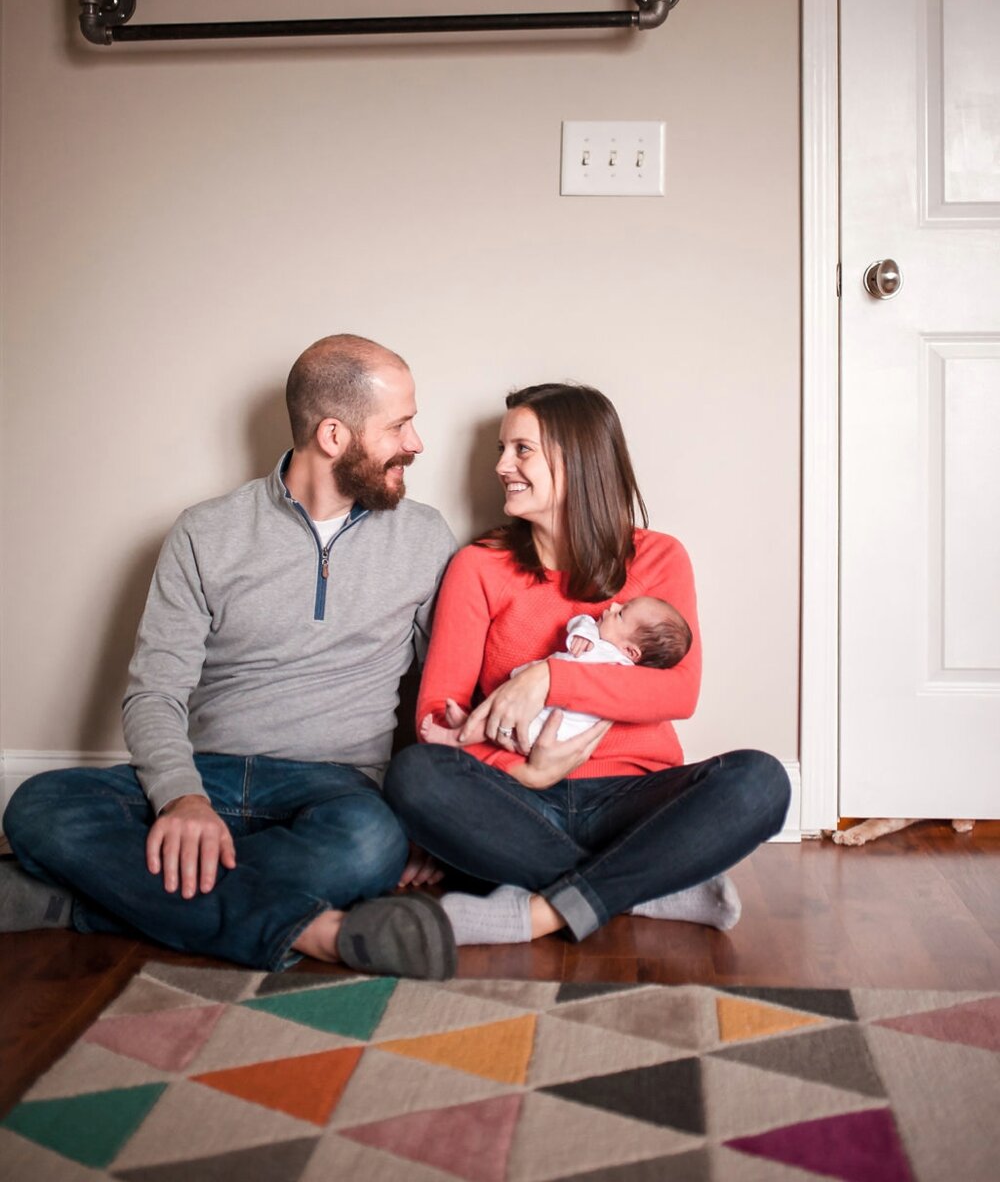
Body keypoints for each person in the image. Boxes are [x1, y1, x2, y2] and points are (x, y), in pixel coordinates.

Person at [1, 335, 459, 977]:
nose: (416, 443)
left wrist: (433, 820)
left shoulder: (424, 536)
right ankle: (316, 930)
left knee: (369, 846)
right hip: (207, 774)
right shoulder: (205, 532)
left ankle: (88, 902)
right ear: (334, 435)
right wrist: (183, 799)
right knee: (39, 805)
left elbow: (445, 692)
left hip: (337, 788)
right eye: (400, 424)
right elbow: (154, 693)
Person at [384, 382, 791, 950]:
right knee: (415, 775)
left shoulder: (658, 558)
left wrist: (550, 677)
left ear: (577, 461)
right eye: (503, 449)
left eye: (521, 449)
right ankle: (645, 887)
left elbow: (679, 692)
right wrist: (527, 773)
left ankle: (543, 909)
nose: (502, 466)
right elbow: (434, 717)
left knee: (761, 781)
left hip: (633, 802)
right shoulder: (479, 567)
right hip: (518, 801)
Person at [421, 595, 691, 748]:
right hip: (529, 696)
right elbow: (581, 620)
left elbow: (668, 693)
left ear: (632, 652)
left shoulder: (622, 666)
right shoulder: (596, 635)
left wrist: (554, 679)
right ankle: (467, 723)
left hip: (559, 724)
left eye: (621, 614)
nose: (613, 606)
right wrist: (583, 633)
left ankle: (457, 738)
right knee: (503, 712)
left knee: (513, 726)